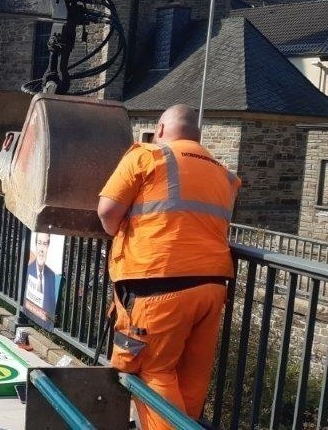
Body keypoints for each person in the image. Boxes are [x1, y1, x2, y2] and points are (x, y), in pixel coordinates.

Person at [97, 104, 241, 430]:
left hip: (158, 283)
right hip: (212, 286)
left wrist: (117, 230)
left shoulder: (147, 157)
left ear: (160, 130)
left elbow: (107, 213)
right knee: (191, 378)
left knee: (152, 371)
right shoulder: (225, 175)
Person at [25, 232, 57, 320]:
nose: (41, 250)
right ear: (35, 245)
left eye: (45, 244)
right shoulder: (28, 268)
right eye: (39, 243)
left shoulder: (51, 275)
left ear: (48, 247)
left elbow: (50, 310)